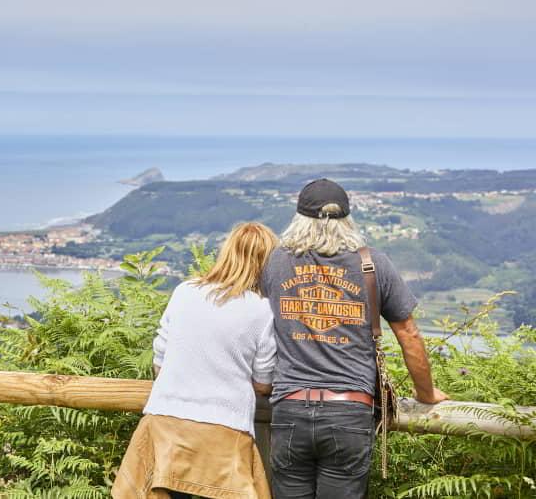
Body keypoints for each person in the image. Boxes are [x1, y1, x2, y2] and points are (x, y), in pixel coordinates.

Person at [260, 178, 449, 499]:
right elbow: (409, 335)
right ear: (347, 219)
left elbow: (256, 324)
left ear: (299, 219)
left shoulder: (276, 262)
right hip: (350, 412)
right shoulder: (373, 265)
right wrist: (426, 393)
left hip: (289, 409)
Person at [112, 222, 280, 499]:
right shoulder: (263, 310)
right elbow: (264, 383)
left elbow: (159, 361)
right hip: (223, 429)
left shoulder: (185, 291)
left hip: (166, 422)